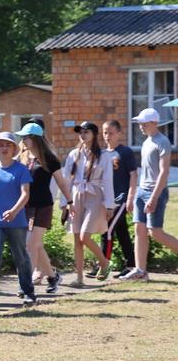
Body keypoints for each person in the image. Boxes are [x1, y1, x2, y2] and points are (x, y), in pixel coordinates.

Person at [16, 122, 74, 294]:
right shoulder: (22, 157)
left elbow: (61, 182)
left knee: (31, 244)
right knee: (36, 245)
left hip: (43, 207)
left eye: (26, 137)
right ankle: (53, 277)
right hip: (26, 207)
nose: (23, 140)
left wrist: (70, 202)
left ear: (35, 139)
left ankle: (26, 286)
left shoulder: (49, 159)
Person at [121, 108, 178, 281]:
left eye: (144, 123)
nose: (141, 126)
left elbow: (164, 172)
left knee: (155, 233)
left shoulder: (163, 142)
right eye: (139, 123)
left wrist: (153, 197)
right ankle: (140, 271)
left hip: (156, 192)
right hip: (141, 190)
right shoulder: (147, 142)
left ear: (154, 123)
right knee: (139, 230)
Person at [0, 132, 35, 310]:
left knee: (21, 257)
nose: (4, 148)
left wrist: (14, 211)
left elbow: (25, 194)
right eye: (1, 145)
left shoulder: (21, 170)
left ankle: (28, 293)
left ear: (14, 149)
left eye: (8, 145)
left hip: (17, 221)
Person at [61, 121, 114, 287]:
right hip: (76, 195)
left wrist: (109, 204)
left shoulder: (104, 155)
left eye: (86, 132)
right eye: (80, 132)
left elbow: (108, 181)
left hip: (94, 195)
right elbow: (66, 180)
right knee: (77, 239)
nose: (83, 135)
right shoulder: (74, 154)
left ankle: (104, 262)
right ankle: (79, 278)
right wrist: (65, 203)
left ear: (94, 134)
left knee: (85, 236)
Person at [99, 120, 138, 278]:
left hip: (121, 199)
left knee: (107, 230)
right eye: (105, 133)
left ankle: (103, 266)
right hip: (107, 200)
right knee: (122, 232)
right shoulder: (102, 154)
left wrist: (130, 198)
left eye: (111, 133)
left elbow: (133, 175)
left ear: (119, 134)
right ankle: (131, 265)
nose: (107, 136)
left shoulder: (125, 152)